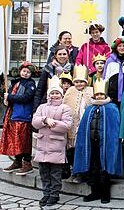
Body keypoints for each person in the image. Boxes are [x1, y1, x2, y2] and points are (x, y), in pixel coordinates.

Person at [73, 78, 123, 204]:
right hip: (91, 143)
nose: (99, 96)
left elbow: (115, 126)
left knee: (104, 168)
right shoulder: (90, 109)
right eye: (97, 95)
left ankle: (105, 193)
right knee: (93, 167)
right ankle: (94, 192)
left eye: (101, 94)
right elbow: (84, 126)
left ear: (105, 95)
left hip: (106, 143)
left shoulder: (112, 108)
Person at [32, 76, 72, 207]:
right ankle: (46, 193)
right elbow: (35, 122)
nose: (54, 95)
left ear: (61, 95)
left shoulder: (65, 108)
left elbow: (66, 126)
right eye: (52, 93)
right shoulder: (42, 107)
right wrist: (44, 120)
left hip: (56, 145)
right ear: (49, 94)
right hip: (43, 145)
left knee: (55, 173)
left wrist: (52, 123)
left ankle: (54, 194)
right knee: (44, 173)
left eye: (57, 93)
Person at [0, 62, 36, 175]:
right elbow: (10, 95)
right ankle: (17, 161)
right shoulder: (16, 82)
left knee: (23, 140)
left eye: (28, 72)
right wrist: (6, 98)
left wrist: (10, 97)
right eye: (24, 71)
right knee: (15, 139)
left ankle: (27, 163)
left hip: (23, 115)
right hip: (13, 114)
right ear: (20, 71)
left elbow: (26, 97)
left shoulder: (30, 84)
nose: (26, 73)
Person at [63, 65, 93, 175]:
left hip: (84, 124)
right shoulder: (70, 91)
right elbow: (65, 106)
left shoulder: (90, 91)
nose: (79, 84)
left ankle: (82, 171)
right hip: (72, 125)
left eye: (82, 82)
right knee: (72, 148)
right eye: (76, 82)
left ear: (86, 82)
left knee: (83, 148)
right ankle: (73, 169)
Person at [33, 45, 73, 112]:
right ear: (56, 56)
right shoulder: (48, 68)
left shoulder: (73, 68)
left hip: (68, 102)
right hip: (49, 102)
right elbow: (40, 89)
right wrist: (35, 109)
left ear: (68, 55)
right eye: (59, 54)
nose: (62, 56)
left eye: (64, 54)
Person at [103, 37, 124, 107]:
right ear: (116, 48)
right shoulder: (110, 61)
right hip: (113, 95)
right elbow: (105, 78)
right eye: (119, 46)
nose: (122, 48)